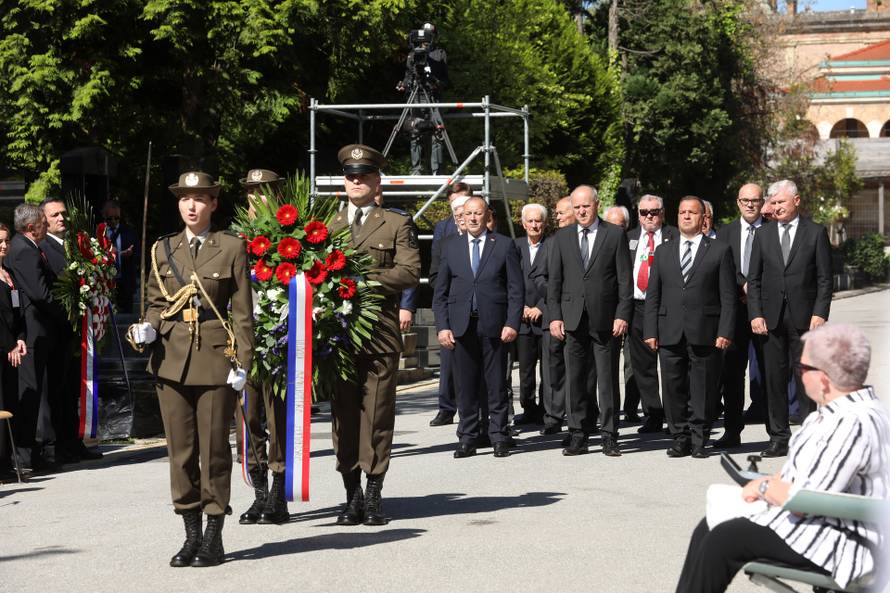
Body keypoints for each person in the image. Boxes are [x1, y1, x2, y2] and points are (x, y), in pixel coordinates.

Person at [675, 323, 890, 593]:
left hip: (846, 539)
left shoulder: (852, 423)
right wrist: (770, 483)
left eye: (802, 369)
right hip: (823, 520)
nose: (799, 375)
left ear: (823, 379)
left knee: (724, 539)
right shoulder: (839, 412)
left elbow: (807, 499)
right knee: (710, 524)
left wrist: (765, 487)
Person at [129, 170, 254, 567]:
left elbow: (243, 313)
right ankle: (190, 535)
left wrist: (244, 363)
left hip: (216, 361)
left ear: (213, 204)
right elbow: (154, 300)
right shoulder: (163, 248)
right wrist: (148, 326)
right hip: (170, 363)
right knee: (181, 453)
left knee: (215, 451)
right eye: (186, 198)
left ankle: (214, 534)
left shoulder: (232, 247)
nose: (192, 205)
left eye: (200, 198)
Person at [327, 144, 420, 525]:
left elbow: (409, 272)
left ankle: (375, 490)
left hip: (379, 333)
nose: (356, 181)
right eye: (350, 175)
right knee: (343, 417)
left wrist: (360, 281)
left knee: (377, 415)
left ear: (376, 180)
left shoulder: (396, 223)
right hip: (337, 336)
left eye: (363, 175)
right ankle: (351, 495)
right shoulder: (327, 227)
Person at [644, 196, 735, 458]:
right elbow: (653, 294)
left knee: (703, 389)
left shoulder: (719, 250)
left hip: (706, 331)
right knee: (672, 388)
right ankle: (679, 437)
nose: (686, 216)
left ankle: (699, 438)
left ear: (703, 217)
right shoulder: (663, 251)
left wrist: (725, 331)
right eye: (682, 212)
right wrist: (650, 330)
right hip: (669, 330)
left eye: (692, 213)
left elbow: (728, 297)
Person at [747, 179, 832, 457]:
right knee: (774, 379)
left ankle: (808, 438)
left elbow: (824, 279)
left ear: (796, 201)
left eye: (780, 201)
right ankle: (778, 438)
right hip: (771, 320)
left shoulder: (815, 232)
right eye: (773, 202)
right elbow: (754, 280)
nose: (775, 207)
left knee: (806, 378)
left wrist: (820, 313)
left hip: (805, 319)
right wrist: (755, 313)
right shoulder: (764, 235)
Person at [434, 197, 522, 459]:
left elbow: (516, 290)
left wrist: (512, 322)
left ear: (487, 216)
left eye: (478, 213)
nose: (472, 218)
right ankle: (468, 436)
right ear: (462, 216)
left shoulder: (504, 245)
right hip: (461, 326)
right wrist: (442, 327)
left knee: (496, 384)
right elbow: (440, 293)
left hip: (494, 325)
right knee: (465, 385)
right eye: (468, 213)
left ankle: (498, 435)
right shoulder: (450, 246)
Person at [547, 185, 632, 457]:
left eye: (586, 206)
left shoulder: (614, 234)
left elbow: (624, 281)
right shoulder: (561, 238)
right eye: (577, 206)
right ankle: (578, 434)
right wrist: (555, 316)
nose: (581, 211)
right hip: (572, 319)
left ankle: (609, 435)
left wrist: (622, 314)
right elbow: (555, 283)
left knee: (606, 379)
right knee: (575, 379)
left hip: (606, 319)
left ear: (596, 205)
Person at [235, 168, 289, 525]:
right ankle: (258, 491)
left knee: (278, 415)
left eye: (264, 191)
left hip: (280, 337)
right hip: (245, 337)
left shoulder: (290, 235)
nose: (258, 198)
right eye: (252, 192)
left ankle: (278, 493)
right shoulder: (235, 238)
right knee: (248, 417)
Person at [4, 203, 67, 471]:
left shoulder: (28, 247)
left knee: (38, 392)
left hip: (37, 330)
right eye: (43, 222)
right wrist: (65, 310)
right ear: (32, 227)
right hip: (31, 331)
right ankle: (25, 455)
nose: (46, 225)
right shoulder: (24, 251)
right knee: (30, 396)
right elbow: (40, 293)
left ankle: (32, 452)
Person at [39, 197, 102, 464]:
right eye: (54, 215)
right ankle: (59, 445)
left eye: (63, 214)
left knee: (75, 390)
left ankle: (75, 442)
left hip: (78, 331)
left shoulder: (75, 246)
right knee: (59, 390)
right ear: (44, 220)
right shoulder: (43, 248)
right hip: (59, 329)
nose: (61, 219)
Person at [714, 183, 765, 448]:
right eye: (745, 200)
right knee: (732, 374)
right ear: (738, 202)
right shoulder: (726, 232)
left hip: (765, 312)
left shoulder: (771, 229)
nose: (749, 204)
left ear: (762, 202)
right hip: (734, 311)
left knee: (769, 372)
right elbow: (723, 267)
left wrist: (755, 289)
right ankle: (732, 430)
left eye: (754, 200)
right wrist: (743, 284)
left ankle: (775, 432)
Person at [625, 194, 676, 433]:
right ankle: (653, 414)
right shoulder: (628, 239)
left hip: (667, 308)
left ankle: (676, 416)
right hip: (637, 307)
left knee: (670, 364)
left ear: (663, 212)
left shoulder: (674, 236)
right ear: (638, 214)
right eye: (644, 212)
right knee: (642, 366)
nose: (649, 217)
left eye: (654, 212)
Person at [428, 185, 470, 427]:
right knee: (448, 359)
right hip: (453, 305)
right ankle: (446, 407)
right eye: (458, 214)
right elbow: (435, 276)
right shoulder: (444, 236)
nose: (463, 218)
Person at [538, 196, 576, 436]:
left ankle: (581, 415)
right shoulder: (552, 243)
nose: (558, 218)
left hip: (580, 315)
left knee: (580, 370)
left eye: (561, 213)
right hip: (553, 313)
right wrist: (557, 298)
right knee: (553, 368)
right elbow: (541, 277)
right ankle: (553, 416)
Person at [514, 203, 549, 425]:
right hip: (522, 318)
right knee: (525, 370)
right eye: (530, 221)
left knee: (548, 368)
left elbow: (558, 282)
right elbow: (510, 281)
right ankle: (528, 408)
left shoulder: (553, 245)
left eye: (538, 221)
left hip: (545, 317)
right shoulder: (514, 246)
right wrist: (521, 308)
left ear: (545, 224)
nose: (534, 225)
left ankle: (547, 409)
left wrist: (541, 307)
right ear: (523, 223)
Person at [0, 223, 26, 477]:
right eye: (0, 242)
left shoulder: (8, 272)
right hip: (2, 348)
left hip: (13, 347)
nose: (4, 246)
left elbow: (16, 311)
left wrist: (20, 338)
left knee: (11, 402)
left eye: (6, 241)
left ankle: (9, 460)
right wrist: (8, 343)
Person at [373, 191, 419, 334]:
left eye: (375, 194)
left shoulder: (397, 221)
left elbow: (408, 268)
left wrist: (406, 306)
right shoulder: (346, 222)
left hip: (390, 302)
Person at [101, 200, 138, 313]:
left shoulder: (129, 232)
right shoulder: (99, 232)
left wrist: (130, 254)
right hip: (105, 283)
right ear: (104, 217)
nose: (113, 221)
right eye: (110, 218)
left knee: (127, 314)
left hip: (125, 281)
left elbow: (137, 253)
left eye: (116, 218)